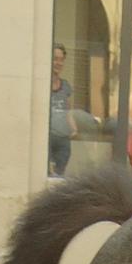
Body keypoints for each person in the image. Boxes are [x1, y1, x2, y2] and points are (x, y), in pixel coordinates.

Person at [49, 44, 76, 176]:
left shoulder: (65, 86)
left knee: (59, 176)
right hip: (47, 138)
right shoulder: (43, 83)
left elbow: (68, 110)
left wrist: (74, 128)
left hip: (63, 140)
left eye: (61, 59)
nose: (58, 63)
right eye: (55, 58)